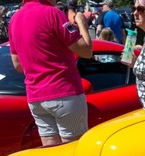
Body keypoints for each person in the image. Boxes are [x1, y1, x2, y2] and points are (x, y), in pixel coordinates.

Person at [9, 0, 93, 147]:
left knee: (50, 152)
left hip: (35, 96)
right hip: (63, 91)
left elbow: (17, 65)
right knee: (74, 150)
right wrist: (81, 23)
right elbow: (86, 51)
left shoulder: (14, 19)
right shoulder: (53, 13)